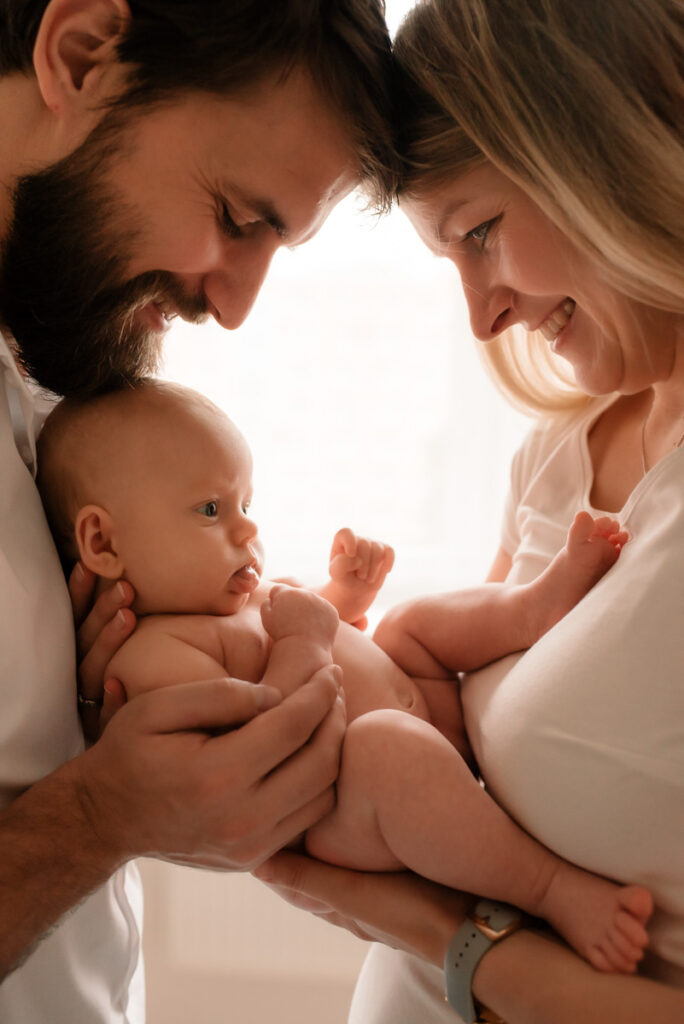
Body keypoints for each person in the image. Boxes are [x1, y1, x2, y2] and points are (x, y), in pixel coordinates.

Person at [252, 1, 684, 1022]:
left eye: (481, 232)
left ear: (600, 145)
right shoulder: (556, 462)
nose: (484, 313)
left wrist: (455, 946)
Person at [0, 1, 399, 1019]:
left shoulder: (59, 360)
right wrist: (89, 819)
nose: (233, 306)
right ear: (82, 55)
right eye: (234, 215)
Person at [35, 377, 652, 976]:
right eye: (210, 509)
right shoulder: (150, 656)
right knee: (384, 744)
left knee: (407, 623)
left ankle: (533, 606)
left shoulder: (230, 599)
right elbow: (272, 743)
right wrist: (307, 635)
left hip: (429, 722)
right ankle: (550, 889)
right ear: (102, 542)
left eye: (246, 505)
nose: (247, 529)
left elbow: (335, 636)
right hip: (366, 805)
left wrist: (344, 595)